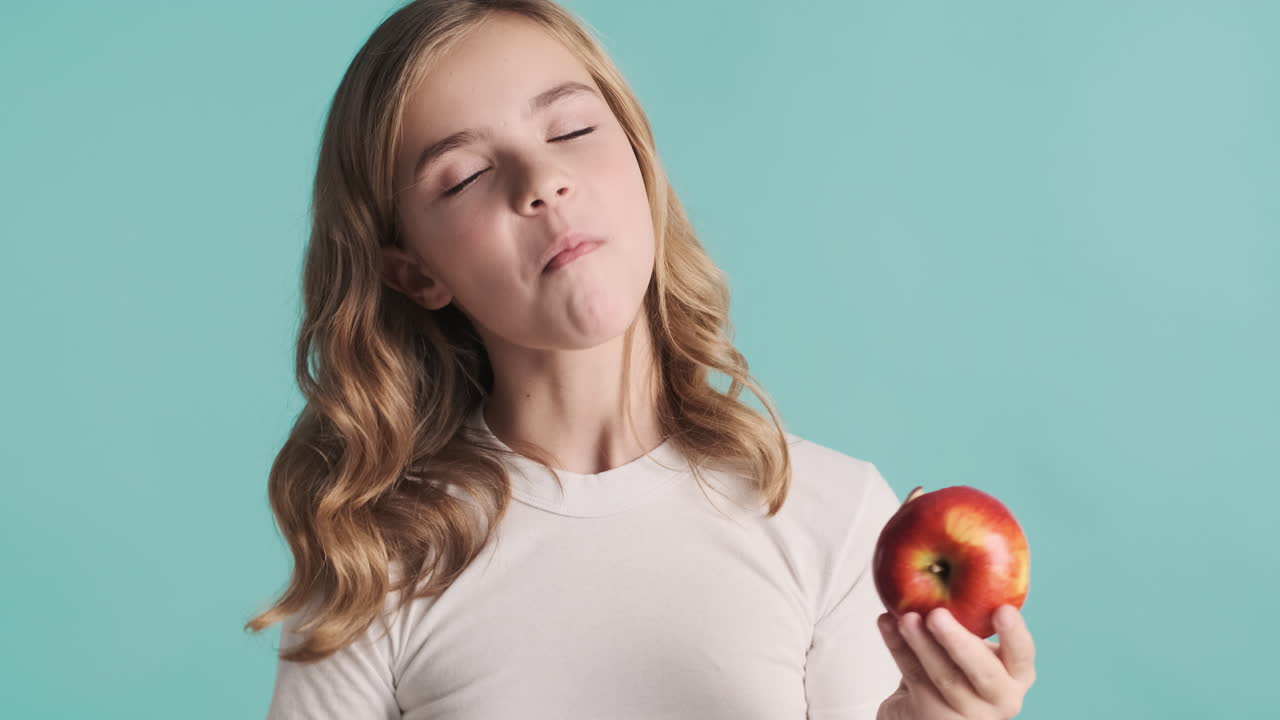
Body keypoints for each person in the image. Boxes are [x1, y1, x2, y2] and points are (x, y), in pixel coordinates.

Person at [244, 1, 1037, 718]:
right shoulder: (373, 564)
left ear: (639, 159)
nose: (543, 182)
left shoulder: (834, 516)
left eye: (570, 131)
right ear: (415, 272)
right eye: (468, 176)